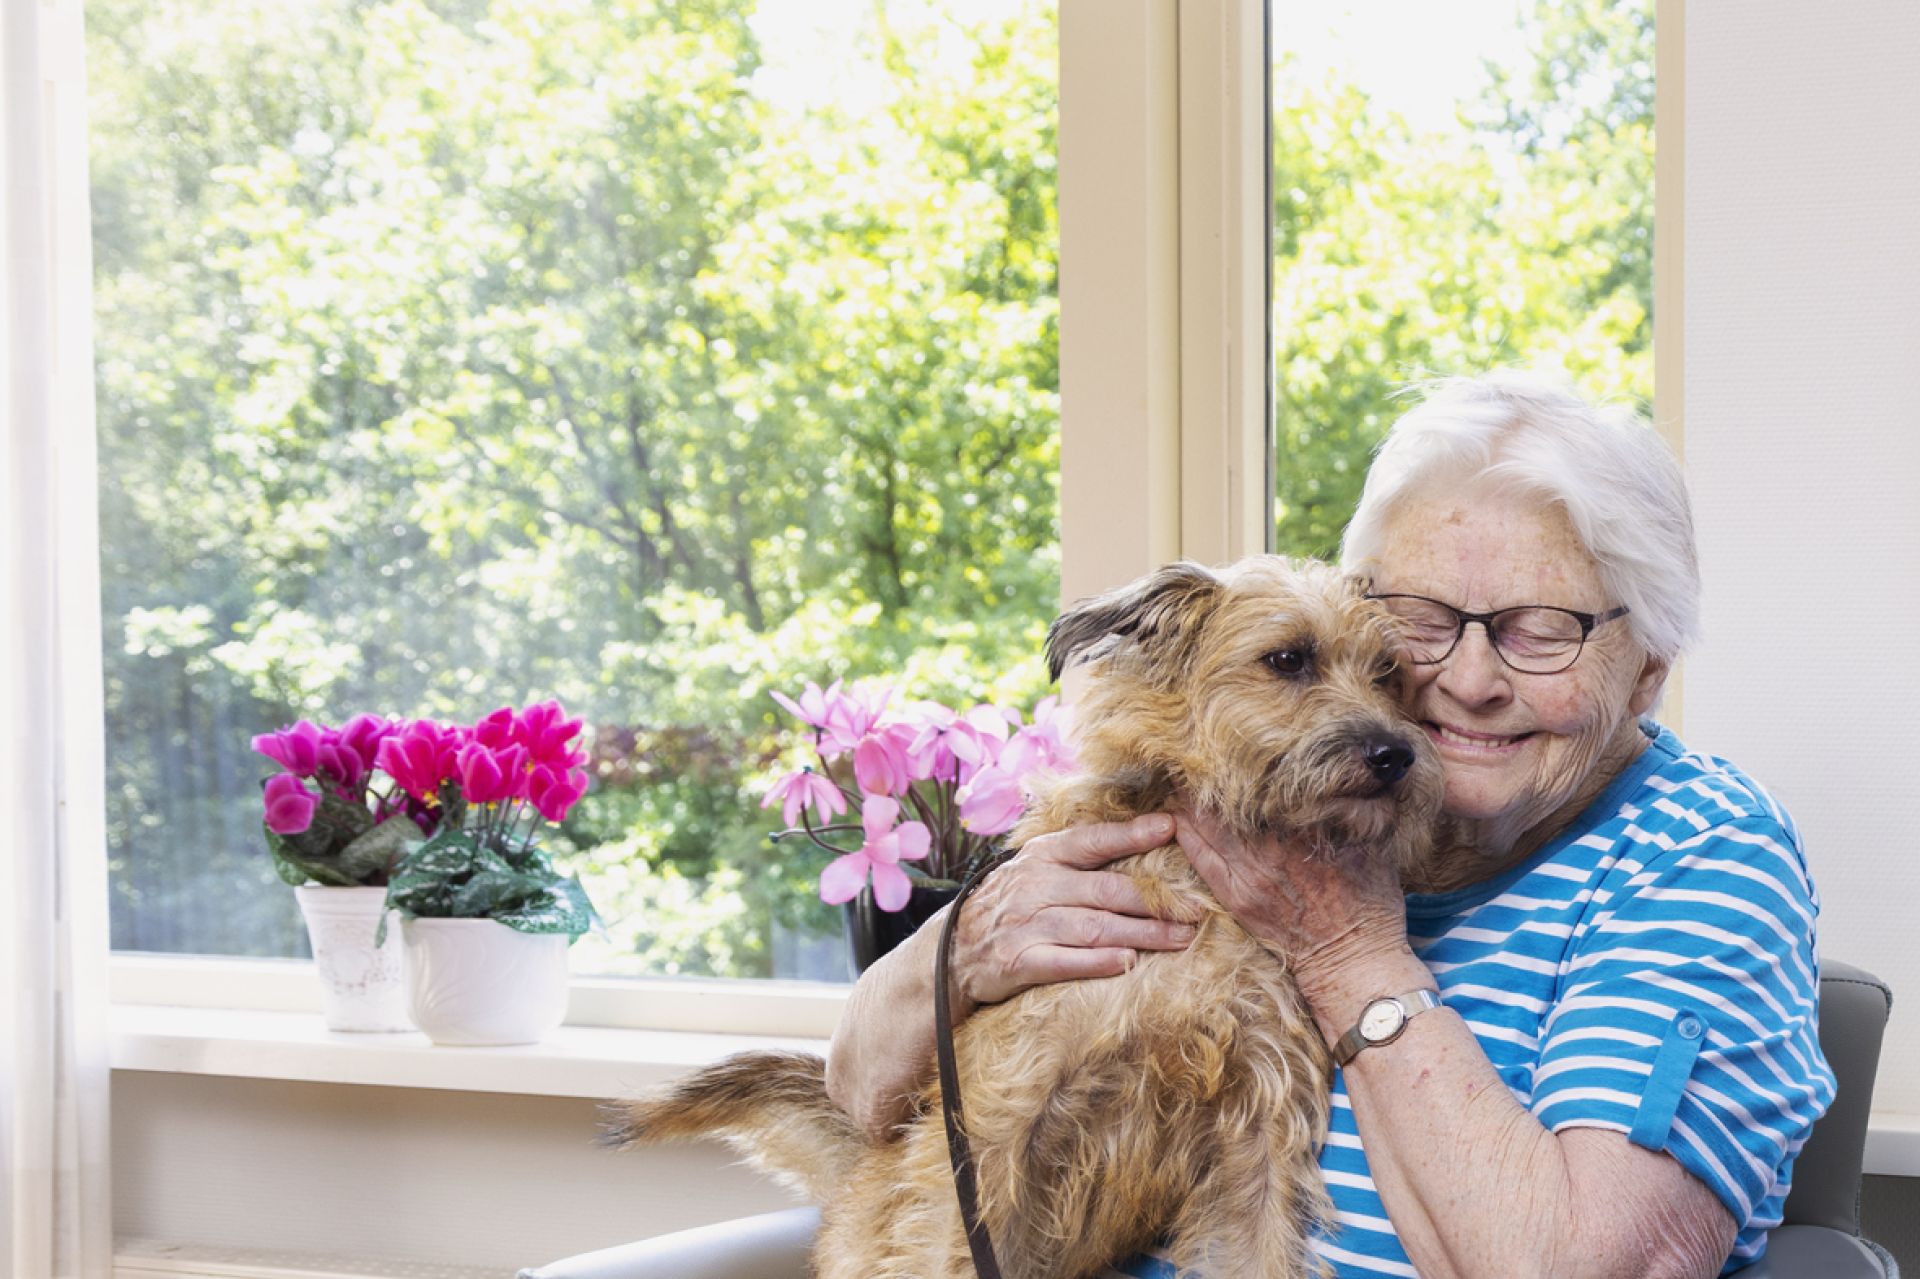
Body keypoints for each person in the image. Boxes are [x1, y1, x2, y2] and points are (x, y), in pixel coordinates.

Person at [824, 372, 1833, 1278]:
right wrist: (954, 956)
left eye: (1540, 630)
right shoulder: (1250, 811)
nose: (1469, 682)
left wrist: (1350, 953)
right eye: (1424, 624)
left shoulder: (1700, 859)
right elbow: (864, 1100)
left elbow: (1578, 1267)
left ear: (1648, 663)